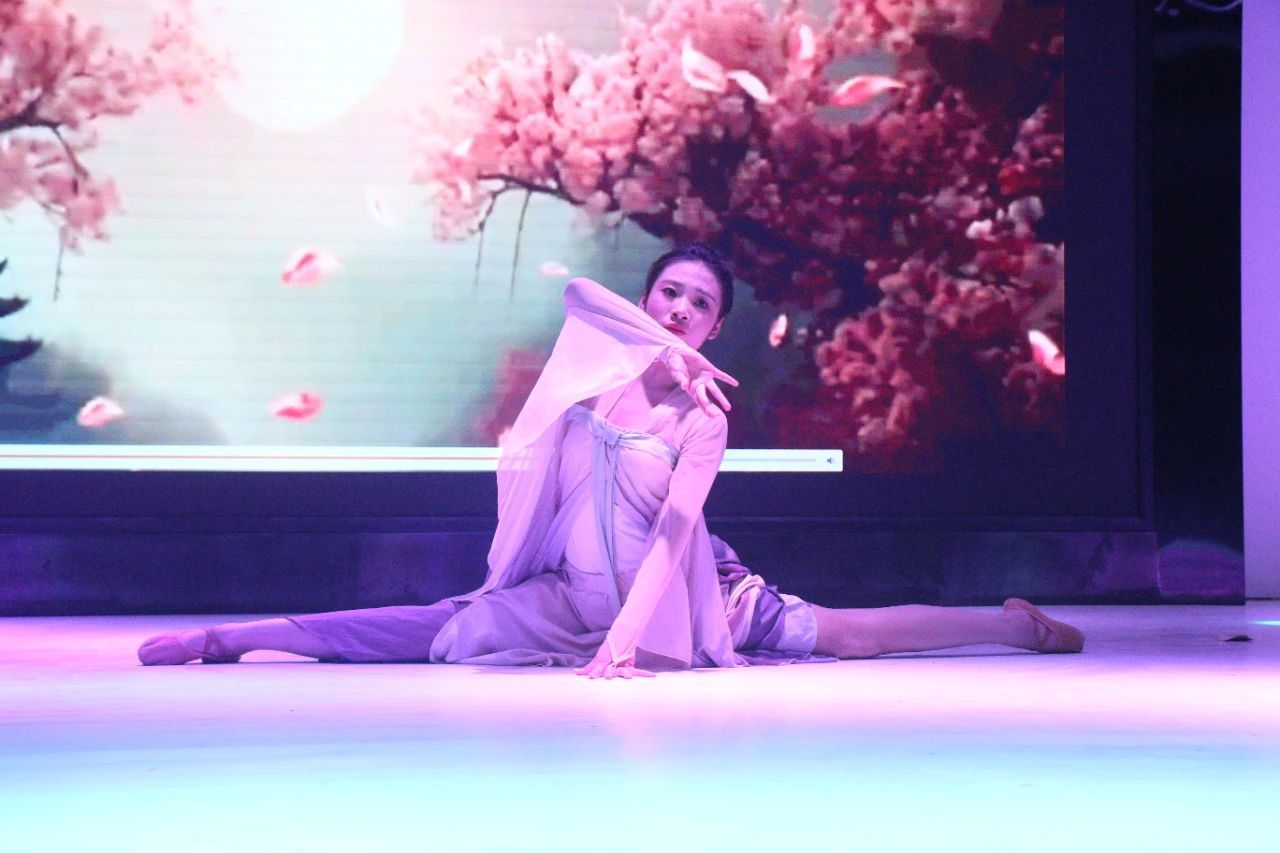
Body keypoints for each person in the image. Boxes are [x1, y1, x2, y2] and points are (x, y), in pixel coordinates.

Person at [139, 245, 1083, 677]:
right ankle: (235, 638)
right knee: (437, 629)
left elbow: (673, 539)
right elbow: (583, 295)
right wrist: (653, 347)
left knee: (848, 637)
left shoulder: (703, 417)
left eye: (699, 306)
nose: (680, 309)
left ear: (718, 327)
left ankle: (1011, 626)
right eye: (669, 293)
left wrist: (626, 640)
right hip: (571, 590)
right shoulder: (594, 371)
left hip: (685, 595)